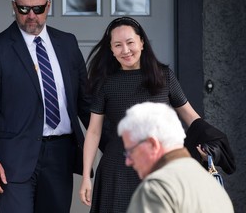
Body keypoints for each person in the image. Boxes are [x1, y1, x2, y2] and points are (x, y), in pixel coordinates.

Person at [0, 0, 91, 212]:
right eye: (24, 8)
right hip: (14, 159)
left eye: (37, 8)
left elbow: (85, 103)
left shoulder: (68, 43)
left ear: (48, 5)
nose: (31, 15)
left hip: (60, 155)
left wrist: (117, 146)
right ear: (13, 6)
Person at [79, 16, 201, 212]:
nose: (125, 50)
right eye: (117, 45)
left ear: (142, 42)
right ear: (111, 49)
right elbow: (93, 132)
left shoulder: (164, 76)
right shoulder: (105, 83)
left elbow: (190, 116)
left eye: (130, 43)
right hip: (116, 170)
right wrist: (86, 176)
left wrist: (208, 139)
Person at [117, 102, 234, 213]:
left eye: (131, 151)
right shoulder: (214, 186)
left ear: (153, 144)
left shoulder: (156, 189)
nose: (128, 161)